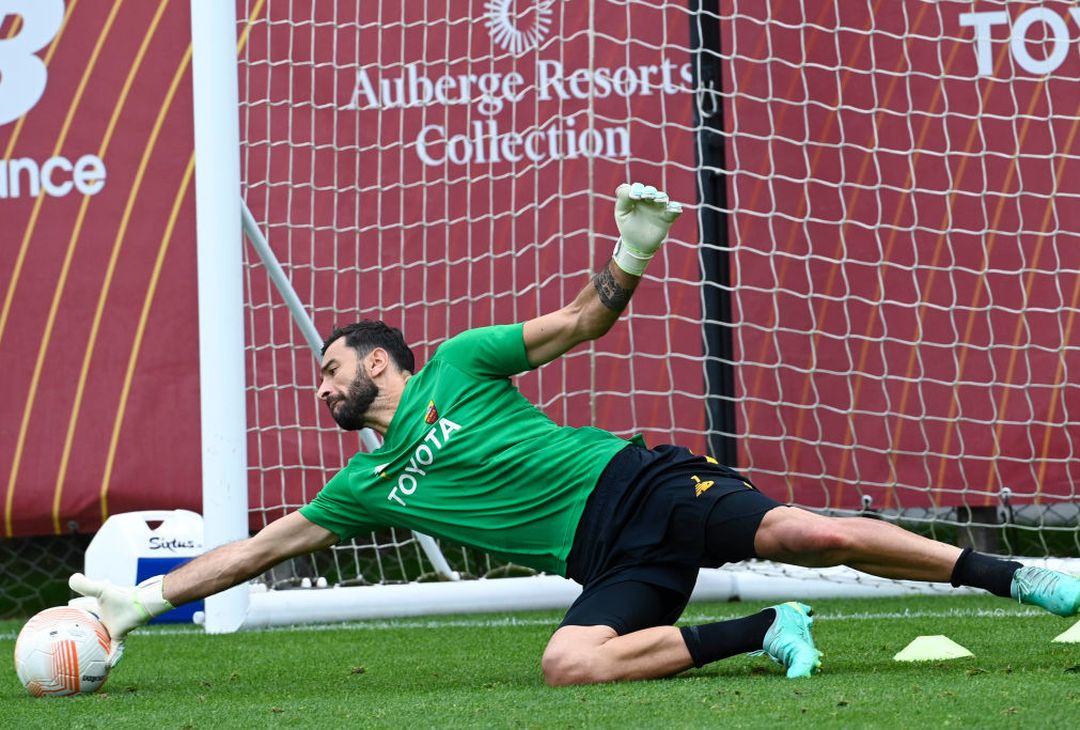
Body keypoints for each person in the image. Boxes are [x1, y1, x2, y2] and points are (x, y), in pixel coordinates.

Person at [70, 182, 1080, 686]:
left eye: (329, 366)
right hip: (601, 558)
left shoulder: (463, 359)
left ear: (380, 362)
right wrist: (140, 598)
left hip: (632, 485)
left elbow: (586, 319)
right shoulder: (361, 487)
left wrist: (632, 252)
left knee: (808, 537)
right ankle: (766, 631)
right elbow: (255, 549)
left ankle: (1022, 578)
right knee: (570, 666)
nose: (319, 383)